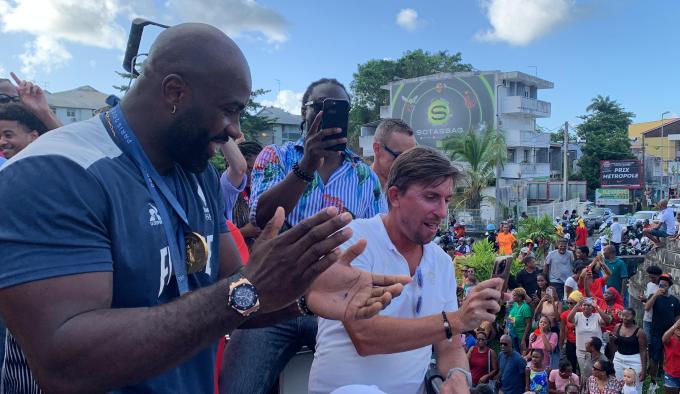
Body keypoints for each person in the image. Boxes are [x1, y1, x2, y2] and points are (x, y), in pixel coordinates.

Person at [0, 24, 408, 394]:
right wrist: (250, 288)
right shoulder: (56, 173)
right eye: (228, 109)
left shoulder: (195, 173)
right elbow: (65, 363)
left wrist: (304, 295)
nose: (235, 130)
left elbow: (233, 294)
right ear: (175, 91)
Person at [223, 77, 388, 394]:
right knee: (237, 387)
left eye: (339, 109)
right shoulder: (276, 157)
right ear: (304, 114)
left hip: (334, 306)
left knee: (367, 383)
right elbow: (262, 217)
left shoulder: (364, 176)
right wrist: (307, 165)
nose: (329, 115)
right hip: (272, 303)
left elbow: (376, 242)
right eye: (321, 107)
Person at [308, 147, 505, 393]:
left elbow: (450, 347)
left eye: (447, 200)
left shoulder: (441, 262)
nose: (443, 212)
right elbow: (364, 336)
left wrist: (458, 376)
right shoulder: (354, 240)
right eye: (431, 197)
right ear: (395, 196)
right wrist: (454, 320)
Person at [645, 273, 680, 390]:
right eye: (661, 284)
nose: (662, 287)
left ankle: (669, 377)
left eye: (665, 285)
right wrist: (655, 295)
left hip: (671, 333)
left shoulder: (674, 300)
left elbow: (677, 316)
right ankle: (653, 380)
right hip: (656, 332)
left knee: (670, 356)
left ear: (669, 286)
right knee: (655, 356)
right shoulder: (654, 296)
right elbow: (647, 308)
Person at [223, 140, 264, 248]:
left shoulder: (262, 189)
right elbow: (217, 235)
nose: (256, 174)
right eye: (251, 169)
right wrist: (244, 232)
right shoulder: (226, 189)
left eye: (260, 169)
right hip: (235, 258)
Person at [567, 297, 612, 383]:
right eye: (585, 305)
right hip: (582, 352)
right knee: (585, 375)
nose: (587, 307)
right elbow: (569, 319)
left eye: (589, 305)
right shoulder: (578, 315)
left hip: (597, 352)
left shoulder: (597, 316)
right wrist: (577, 305)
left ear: (592, 307)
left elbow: (607, 321)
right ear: (582, 306)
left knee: (599, 374)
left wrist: (597, 307)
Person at [370, 118, 417, 189]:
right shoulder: (357, 188)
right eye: (400, 157)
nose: (407, 165)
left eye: (411, 157)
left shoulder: (412, 188)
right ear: (377, 148)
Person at [610, 308, 646, 394]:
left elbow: (643, 351)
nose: (625, 318)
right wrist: (612, 340)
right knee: (618, 384)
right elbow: (613, 345)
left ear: (633, 317)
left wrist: (644, 369)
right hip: (619, 358)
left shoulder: (639, 331)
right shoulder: (617, 326)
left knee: (636, 386)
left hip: (634, 360)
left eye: (627, 316)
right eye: (623, 315)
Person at [560, 290, 583, 375]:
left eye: (572, 303)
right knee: (571, 365)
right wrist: (561, 344)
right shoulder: (564, 314)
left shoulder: (583, 312)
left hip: (582, 343)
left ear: (578, 303)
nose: (569, 305)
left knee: (582, 367)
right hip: (571, 343)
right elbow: (562, 330)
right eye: (568, 302)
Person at [600, 287, 624, 358]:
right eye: (605, 293)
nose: (605, 294)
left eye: (608, 293)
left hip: (613, 334)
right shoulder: (600, 304)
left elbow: (621, 321)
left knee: (612, 355)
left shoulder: (619, 308)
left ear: (614, 296)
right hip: (600, 333)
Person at [640, 265, 662, 341]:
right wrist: (643, 299)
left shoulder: (663, 287)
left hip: (658, 320)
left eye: (653, 277)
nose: (651, 279)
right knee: (647, 341)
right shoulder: (649, 285)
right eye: (650, 277)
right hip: (647, 318)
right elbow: (647, 299)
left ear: (659, 276)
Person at [508, 288, 533, 353]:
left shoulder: (525, 308)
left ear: (520, 297)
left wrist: (523, 339)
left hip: (521, 336)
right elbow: (511, 317)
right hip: (513, 334)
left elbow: (528, 324)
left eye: (514, 295)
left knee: (522, 354)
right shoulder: (515, 304)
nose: (512, 297)